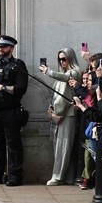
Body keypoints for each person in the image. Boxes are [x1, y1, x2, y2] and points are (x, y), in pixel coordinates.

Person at [0, 35, 29, 186]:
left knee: (13, 144)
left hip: (11, 111)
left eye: (4, 47)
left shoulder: (18, 66)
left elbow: (22, 88)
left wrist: (2, 87)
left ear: (11, 48)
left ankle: (15, 176)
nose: (0, 49)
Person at [38, 48, 82, 186]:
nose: (62, 62)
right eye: (60, 59)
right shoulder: (62, 75)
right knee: (59, 146)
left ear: (70, 58)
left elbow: (67, 77)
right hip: (58, 113)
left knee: (63, 146)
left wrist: (49, 72)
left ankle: (58, 176)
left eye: (64, 59)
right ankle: (67, 176)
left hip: (68, 114)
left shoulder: (74, 72)